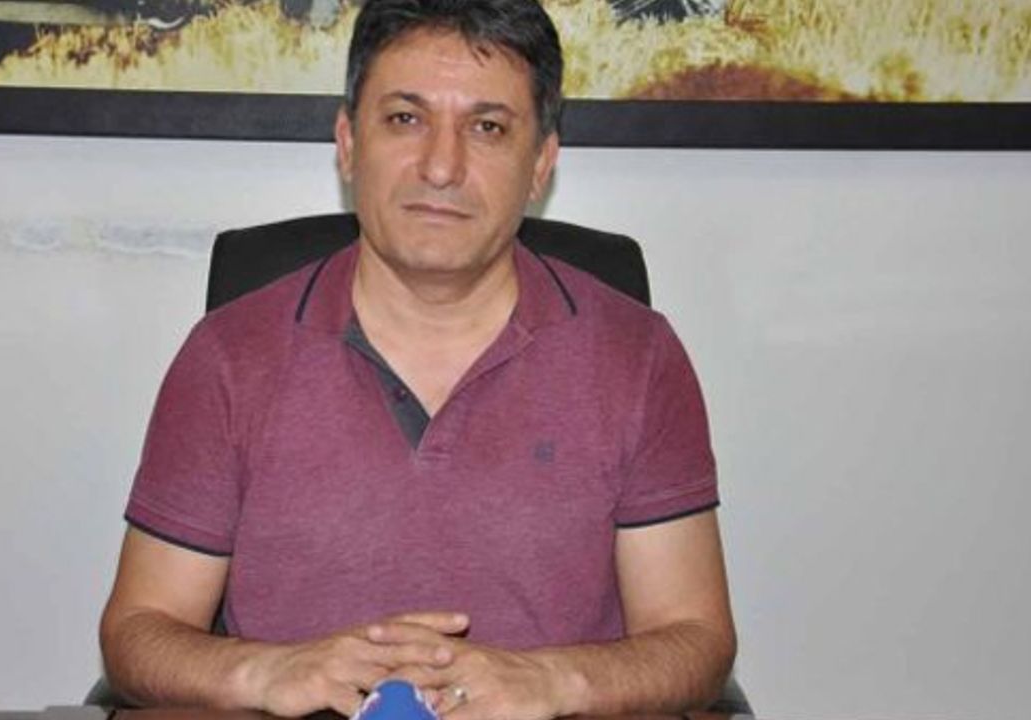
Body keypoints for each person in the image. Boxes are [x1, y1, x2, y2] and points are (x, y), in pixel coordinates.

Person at [99, 0, 736, 717]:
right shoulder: (228, 356)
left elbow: (696, 640)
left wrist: (553, 682)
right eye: (405, 118)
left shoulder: (637, 356)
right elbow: (138, 632)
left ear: (540, 165)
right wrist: (269, 672)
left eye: (488, 128)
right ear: (348, 144)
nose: (441, 166)